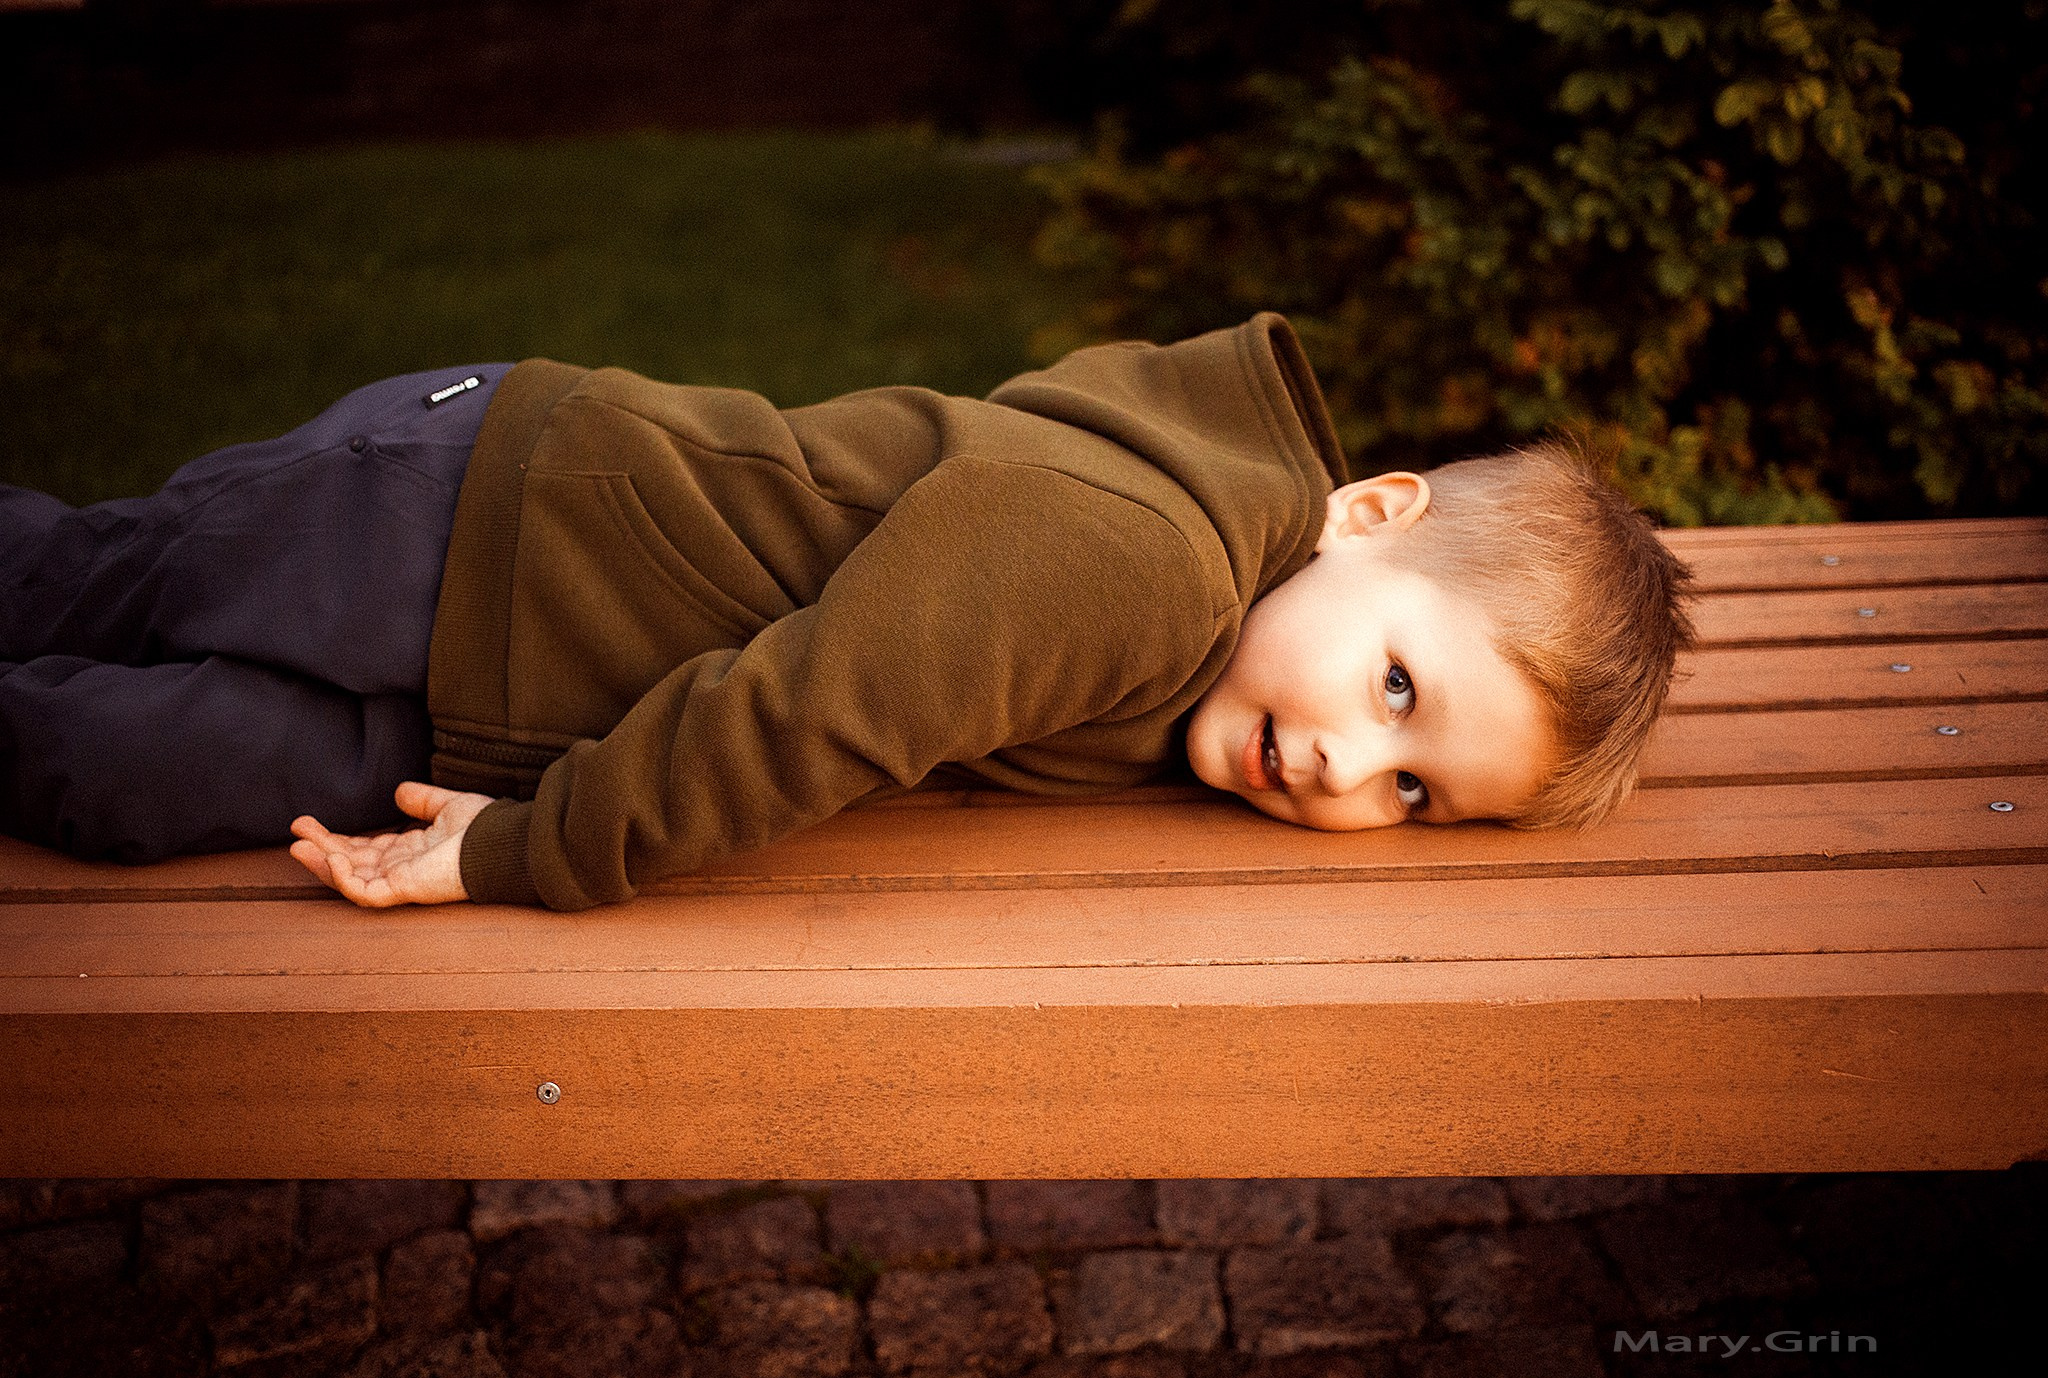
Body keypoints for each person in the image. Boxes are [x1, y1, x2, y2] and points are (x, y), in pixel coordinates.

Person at [0, 313, 1690, 911]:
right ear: (1363, 514)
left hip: (493, 709)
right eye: (1396, 689)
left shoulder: (1209, 651)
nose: (1346, 768)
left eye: (1415, 794)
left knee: (107, 770)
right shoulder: (1151, 562)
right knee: (78, 587)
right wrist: (529, 852)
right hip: (474, 524)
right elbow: (820, 707)